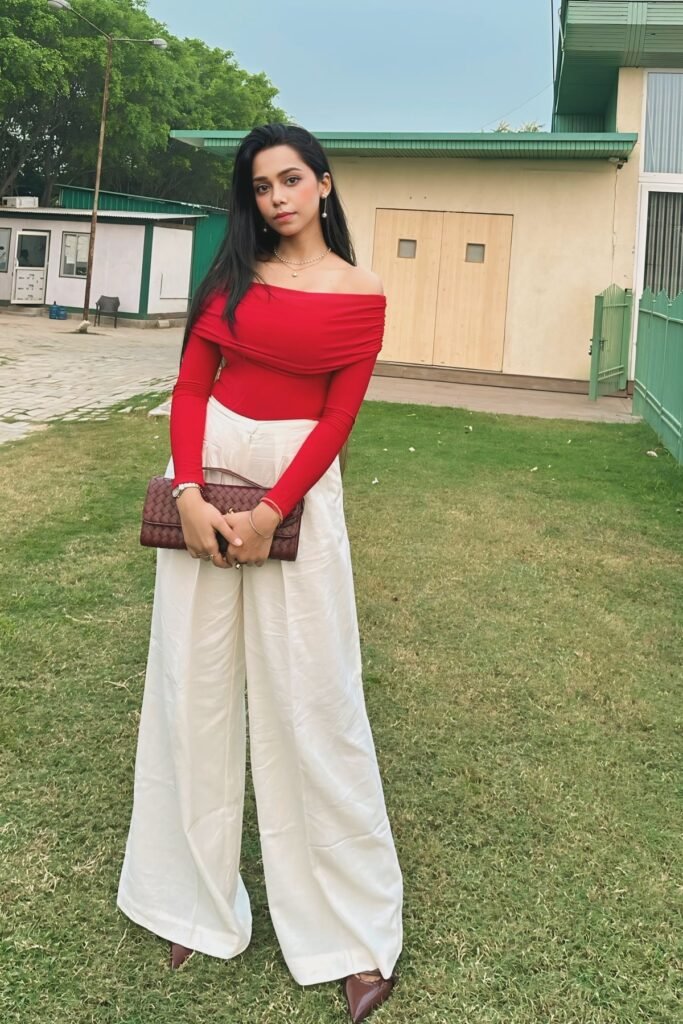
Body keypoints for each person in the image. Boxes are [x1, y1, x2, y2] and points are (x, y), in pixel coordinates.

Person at [117, 124, 403, 1023]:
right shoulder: (230, 275)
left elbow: (336, 416)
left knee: (311, 702)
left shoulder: (361, 295)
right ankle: (190, 900)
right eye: (260, 186)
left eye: (290, 180)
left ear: (322, 184)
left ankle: (351, 932)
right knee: (192, 691)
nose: (275, 198)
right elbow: (194, 381)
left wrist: (275, 507)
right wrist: (192, 492)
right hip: (208, 475)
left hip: (294, 494)